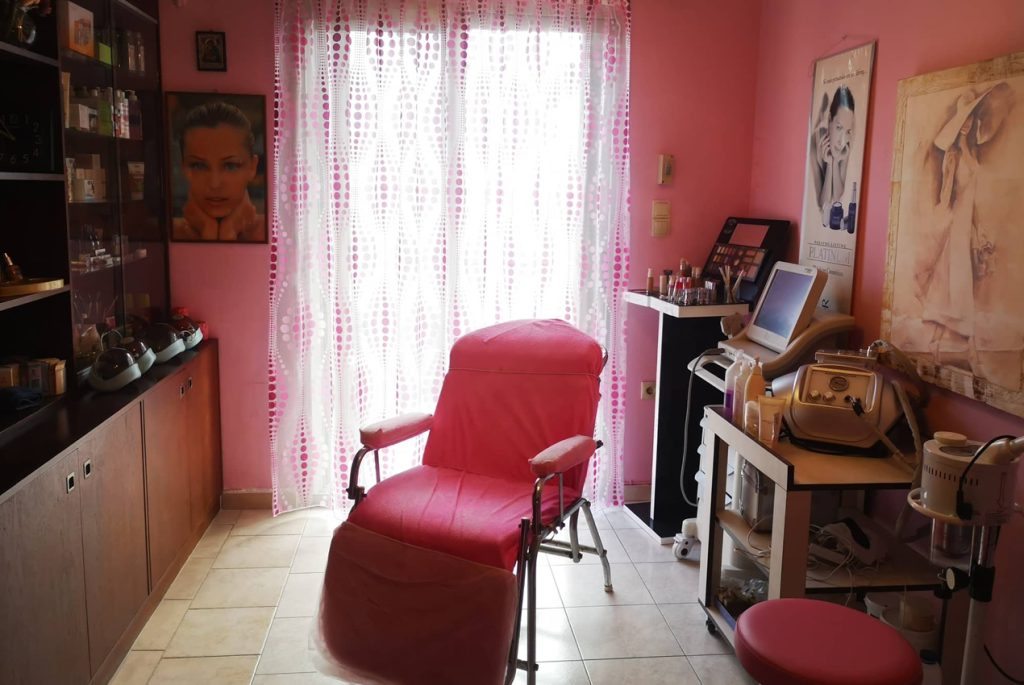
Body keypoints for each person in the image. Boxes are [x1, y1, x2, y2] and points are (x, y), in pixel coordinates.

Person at [172, 101, 264, 241]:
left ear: (252, 167)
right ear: (183, 167)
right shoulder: (167, 233)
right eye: (199, 166)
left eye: (230, 166)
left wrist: (228, 232)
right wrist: (208, 230)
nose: (214, 184)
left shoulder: (278, 233)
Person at [810, 85, 855, 227]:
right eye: (839, 127)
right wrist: (828, 164)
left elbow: (836, 197)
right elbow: (823, 204)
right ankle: (821, 112)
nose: (842, 141)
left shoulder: (846, 144)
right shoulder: (814, 142)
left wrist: (833, 163)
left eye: (847, 131)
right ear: (830, 119)